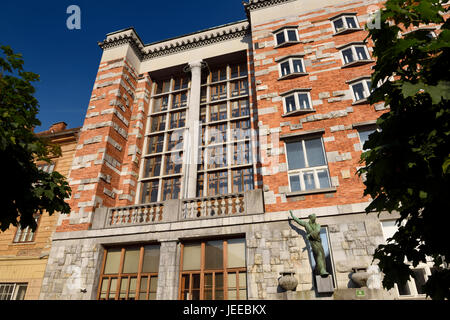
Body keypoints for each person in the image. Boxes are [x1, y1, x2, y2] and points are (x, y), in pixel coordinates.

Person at [289, 210, 329, 277]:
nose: (314, 219)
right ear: (310, 218)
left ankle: (318, 270)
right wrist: (293, 217)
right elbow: (299, 221)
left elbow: (317, 231)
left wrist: (309, 235)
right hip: (313, 243)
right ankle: (322, 270)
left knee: (321, 257)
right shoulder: (306, 224)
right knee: (319, 254)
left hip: (319, 243)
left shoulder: (318, 225)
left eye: (315, 218)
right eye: (313, 218)